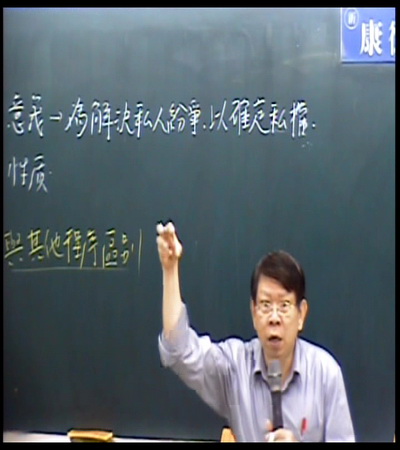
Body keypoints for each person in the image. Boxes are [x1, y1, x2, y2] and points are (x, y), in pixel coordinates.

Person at [156, 221, 355, 442]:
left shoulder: (325, 374)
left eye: (284, 306)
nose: (274, 318)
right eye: (266, 305)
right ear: (253, 312)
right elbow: (178, 351)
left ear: (301, 314)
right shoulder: (234, 368)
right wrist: (170, 270)